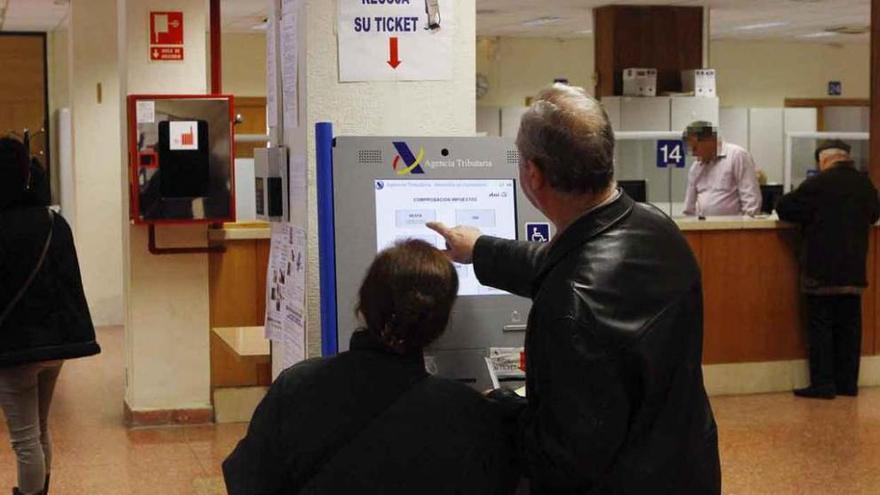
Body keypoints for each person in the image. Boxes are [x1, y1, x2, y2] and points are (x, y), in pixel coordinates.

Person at [428, 84, 720, 494]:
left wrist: (498, 405)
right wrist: (479, 249)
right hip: (685, 471)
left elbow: (563, 457)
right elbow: (563, 263)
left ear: (533, 174)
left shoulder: (569, 303)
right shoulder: (656, 229)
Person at [223, 239, 516, 495]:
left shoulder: (297, 386)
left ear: (363, 304)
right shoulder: (470, 414)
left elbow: (248, 481)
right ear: (440, 324)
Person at [0, 137, 101, 495]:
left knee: (24, 439)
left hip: (13, 350)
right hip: (54, 346)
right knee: (40, 428)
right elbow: (70, 284)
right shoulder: (53, 222)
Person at [776, 140, 880, 399]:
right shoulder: (864, 184)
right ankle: (848, 384)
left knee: (820, 326)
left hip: (821, 268)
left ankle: (823, 384)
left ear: (823, 160)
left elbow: (785, 207)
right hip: (854, 268)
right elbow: (874, 215)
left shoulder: (818, 183)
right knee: (850, 326)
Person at [682, 121, 762, 216]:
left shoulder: (737, 155)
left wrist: (747, 226)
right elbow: (689, 208)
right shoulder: (696, 167)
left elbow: (751, 201)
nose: (694, 154)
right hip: (703, 227)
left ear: (709, 140)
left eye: (695, 148)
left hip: (733, 227)